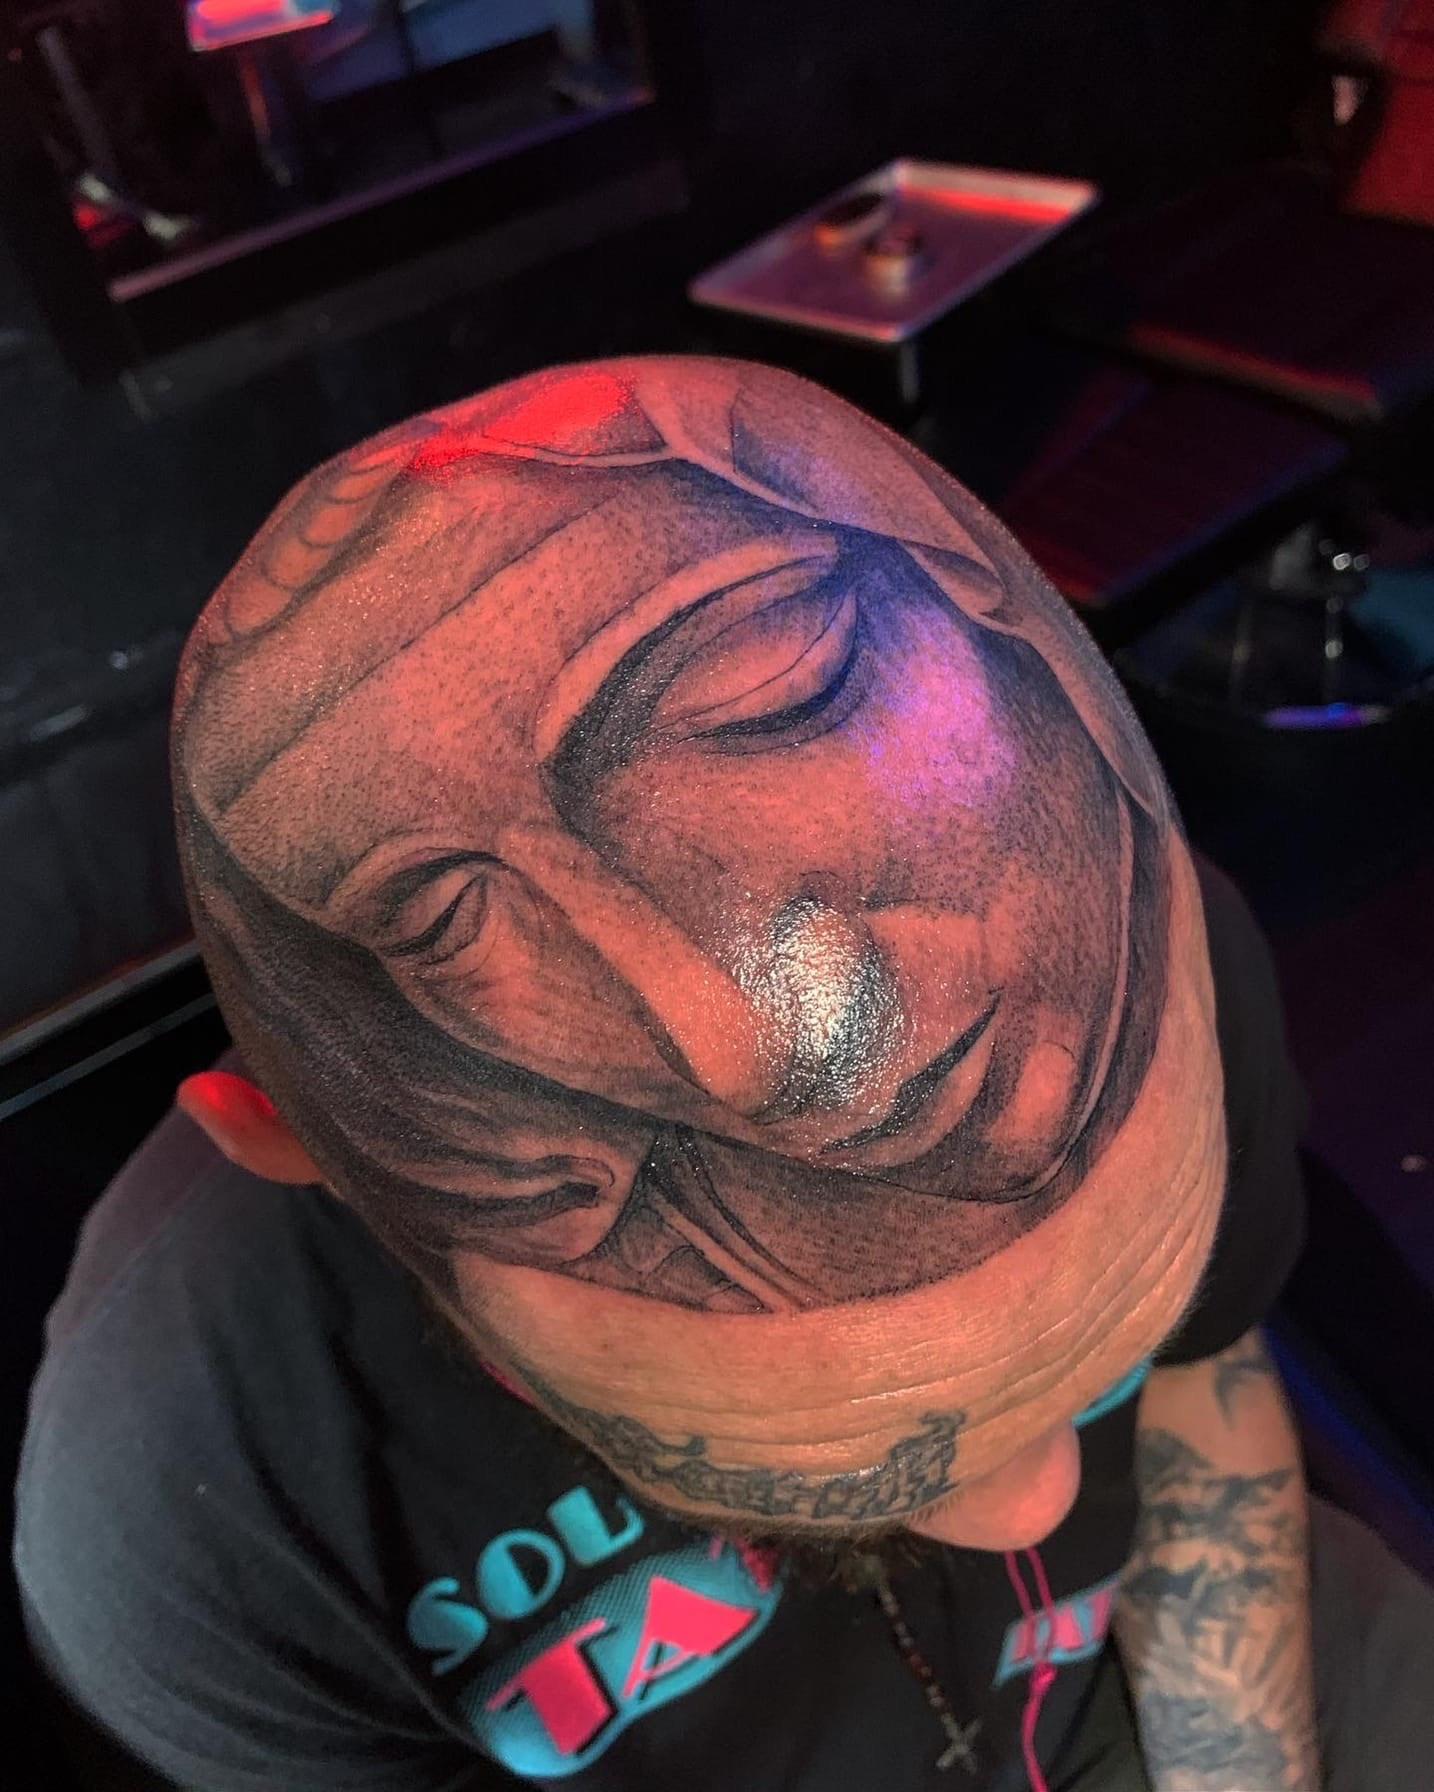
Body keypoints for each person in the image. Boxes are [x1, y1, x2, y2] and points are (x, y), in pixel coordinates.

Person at [13, 357, 1432, 1792]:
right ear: (294, 1143)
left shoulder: (1135, 952)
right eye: (443, 916)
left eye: (766, 692)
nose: (1038, 1511)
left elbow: (1203, 1403)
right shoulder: (193, 1505)